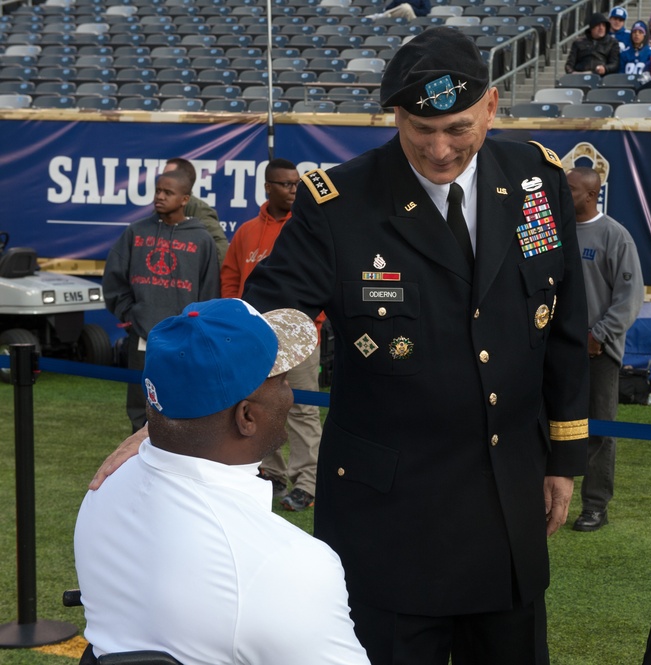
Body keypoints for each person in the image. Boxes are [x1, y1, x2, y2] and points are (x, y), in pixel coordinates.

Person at [91, 26, 590, 665]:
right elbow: (263, 313)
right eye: (420, 129)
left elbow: (566, 326)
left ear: (492, 107)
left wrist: (564, 462)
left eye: (459, 129)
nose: (441, 150)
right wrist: (177, 415)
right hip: (393, 525)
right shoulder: (341, 201)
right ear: (396, 118)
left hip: (507, 506)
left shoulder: (535, 181)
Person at [75, 298, 370, 665]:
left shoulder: (106, 488)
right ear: (247, 417)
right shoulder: (289, 566)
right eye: (280, 380)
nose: (290, 396)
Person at [221, 158, 324, 512]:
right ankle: (272, 472)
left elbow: (324, 281)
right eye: (285, 184)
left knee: (304, 410)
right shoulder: (248, 230)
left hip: (300, 338)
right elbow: (231, 278)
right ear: (268, 187)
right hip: (254, 337)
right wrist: (235, 320)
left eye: (296, 183)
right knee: (259, 406)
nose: (293, 189)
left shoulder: (309, 228)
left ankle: (308, 481)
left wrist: (314, 323)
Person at [102, 170, 220, 432]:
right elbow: (113, 283)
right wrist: (132, 316)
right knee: (140, 406)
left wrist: (197, 332)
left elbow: (210, 293)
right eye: (158, 191)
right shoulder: (136, 232)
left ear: (184, 199)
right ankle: (139, 463)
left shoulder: (201, 239)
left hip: (185, 339)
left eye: (168, 192)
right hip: (143, 336)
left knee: (182, 406)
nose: (160, 197)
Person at [565, 167, 644, 532]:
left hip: (598, 353)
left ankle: (595, 506)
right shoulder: (555, 230)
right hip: (556, 351)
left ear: (592, 193)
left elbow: (629, 300)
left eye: (570, 188)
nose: (562, 192)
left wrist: (598, 336)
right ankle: (546, 499)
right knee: (552, 426)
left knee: (599, 430)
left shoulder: (615, 236)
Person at [163, 157, 230, 264]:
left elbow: (221, 251)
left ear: (184, 181)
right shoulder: (160, 209)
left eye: (169, 175)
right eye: (163, 175)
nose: (163, 179)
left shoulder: (199, 210)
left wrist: (190, 270)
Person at [565, 12, 621, 76]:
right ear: (591, 27)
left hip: (601, 78)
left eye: (603, 25)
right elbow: (569, 65)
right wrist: (572, 73)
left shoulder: (612, 43)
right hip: (579, 77)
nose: (601, 28)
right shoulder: (578, 42)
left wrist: (605, 68)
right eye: (598, 25)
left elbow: (615, 64)